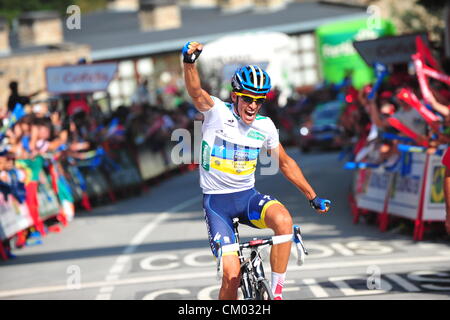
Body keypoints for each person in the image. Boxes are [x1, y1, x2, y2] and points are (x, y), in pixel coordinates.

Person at [182, 41, 331, 300]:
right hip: (218, 205)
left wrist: (312, 196)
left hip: (247, 197)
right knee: (231, 276)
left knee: (284, 220)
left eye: (258, 100)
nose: (252, 105)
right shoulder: (217, 113)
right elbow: (196, 92)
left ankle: (276, 294)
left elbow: (285, 162)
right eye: (247, 98)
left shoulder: (265, 127)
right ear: (235, 97)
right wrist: (189, 63)